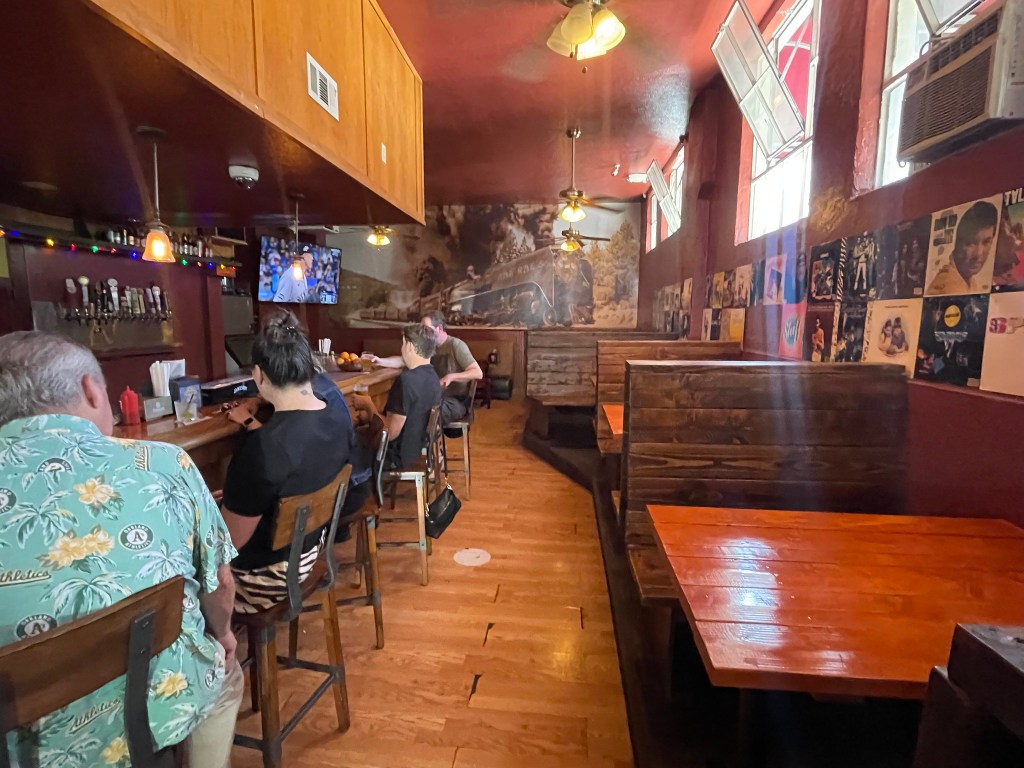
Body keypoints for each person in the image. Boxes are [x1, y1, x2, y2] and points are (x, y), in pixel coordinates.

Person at [0, 331, 241, 767]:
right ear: (91, 390)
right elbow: (220, 584)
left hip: (24, 750)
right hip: (154, 719)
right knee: (226, 672)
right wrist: (223, 635)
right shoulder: (165, 462)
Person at [220, 312, 351, 613]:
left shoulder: (263, 448)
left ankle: (218, 655)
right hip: (310, 552)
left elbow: (226, 544)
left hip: (263, 581)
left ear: (260, 375)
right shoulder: (336, 416)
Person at [366, 312, 482, 426]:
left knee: (421, 413)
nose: (423, 333)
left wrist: (451, 376)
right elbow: (404, 359)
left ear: (439, 328)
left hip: (455, 401)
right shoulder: (428, 345)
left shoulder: (456, 345)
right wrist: (380, 361)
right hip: (434, 397)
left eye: (426, 328)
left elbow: (477, 373)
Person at [353, 324, 441, 470]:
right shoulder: (433, 377)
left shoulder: (406, 381)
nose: (401, 349)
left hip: (396, 457)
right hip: (416, 450)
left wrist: (369, 405)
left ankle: (356, 490)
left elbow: (389, 434)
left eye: (403, 343)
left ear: (410, 347)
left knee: (347, 440)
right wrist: (370, 415)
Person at [926, 201, 999, 295]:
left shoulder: (968, 280)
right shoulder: (949, 287)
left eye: (986, 242)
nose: (978, 254)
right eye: (970, 243)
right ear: (958, 244)